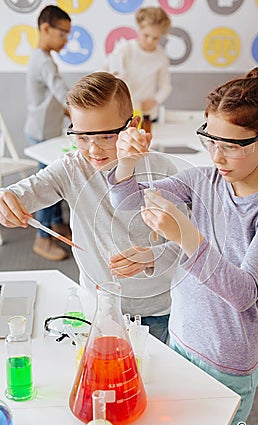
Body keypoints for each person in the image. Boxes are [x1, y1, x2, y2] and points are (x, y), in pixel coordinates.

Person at [108, 66, 258, 425]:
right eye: (210, 140)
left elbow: (244, 292)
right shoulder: (202, 179)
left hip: (228, 363)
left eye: (231, 145)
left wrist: (186, 235)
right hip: (180, 342)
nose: (217, 156)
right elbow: (128, 199)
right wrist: (125, 160)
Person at [0, 71, 181, 343]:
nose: (94, 150)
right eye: (82, 137)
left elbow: (188, 244)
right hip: (97, 306)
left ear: (132, 125)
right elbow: (26, 192)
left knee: (153, 381)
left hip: (157, 310)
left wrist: (151, 256)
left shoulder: (162, 171)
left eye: (107, 136)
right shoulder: (73, 168)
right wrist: (6, 198)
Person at [24, 5, 72, 261]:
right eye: (62, 33)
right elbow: (61, 91)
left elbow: (51, 99)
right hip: (43, 133)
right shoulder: (43, 61)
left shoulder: (44, 57)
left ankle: (56, 225)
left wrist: (66, 112)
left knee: (54, 179)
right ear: (45, 28)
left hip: (48, 130)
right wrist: (79, 109)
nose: (65, 40)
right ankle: (42, 239)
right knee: (48, 185)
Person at [104, 6, 172, 121]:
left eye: (155, 38)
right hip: (123, 113)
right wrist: (111, 76)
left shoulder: (161, 56)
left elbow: (166, 87)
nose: (150, 41)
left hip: (147, 114)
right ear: (139, 29)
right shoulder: (125, 49)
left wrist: (154, 101)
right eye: (146, 35)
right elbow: (101, 72)